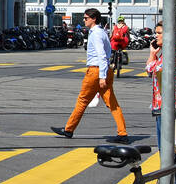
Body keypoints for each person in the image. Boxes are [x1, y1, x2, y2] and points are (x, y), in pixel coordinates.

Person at [52, 8, 128, 142]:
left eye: (86, 18)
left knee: (82, 100)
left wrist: (102, 76)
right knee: (112, 103)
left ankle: (69, 129)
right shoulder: (101, 32)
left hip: (96, 71)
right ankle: (122, 133)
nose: (84, 20)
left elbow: (102, 55)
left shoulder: (96, 34)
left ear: (94, 19)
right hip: (103, 70)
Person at [146, 23, 176, 184]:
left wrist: (170, 109)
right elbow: (150, 70)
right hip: (161, 108)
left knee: (171, 150)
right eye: (156, 33)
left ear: (169, 34)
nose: (156, 36)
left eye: (159, 33)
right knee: (167, 150)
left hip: (169, 109)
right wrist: (152, 54)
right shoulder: (166, 54)